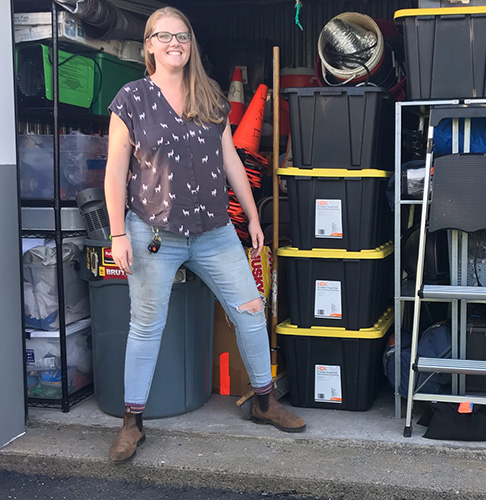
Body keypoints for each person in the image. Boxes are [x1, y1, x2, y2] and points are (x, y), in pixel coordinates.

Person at [104, 6, 306, 464]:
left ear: (191, 44)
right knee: (146, 326)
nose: (175, 43)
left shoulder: (210, 96)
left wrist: (252, 218)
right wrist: (118, 233)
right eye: (165, 36)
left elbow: (232, 159)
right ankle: (132, 422)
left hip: (214, 230)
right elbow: (116, 171)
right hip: (153, 231)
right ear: (149, 45)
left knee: (251, 310)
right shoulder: (131, 98)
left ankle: (263, 400)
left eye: (183, 36)